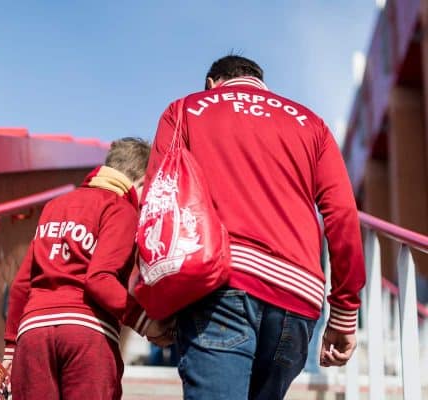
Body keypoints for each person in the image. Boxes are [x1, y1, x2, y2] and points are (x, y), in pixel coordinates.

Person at [144, 55, 366, 399]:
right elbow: (341, 212)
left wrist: (156, 303)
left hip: (219, 284)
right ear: (260, 82)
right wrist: (345, 310)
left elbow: (160, 201)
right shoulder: (311, 123)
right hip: (297, 296)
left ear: (211, 84)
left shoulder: (185, 109)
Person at [3, 137, 172, 400]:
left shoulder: (54, 206)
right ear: (140, 182)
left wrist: (11, 349)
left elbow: (22, 285)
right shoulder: (121, 209)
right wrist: (144, 321)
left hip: (33, 332)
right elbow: (99, 279)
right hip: (87, 332)